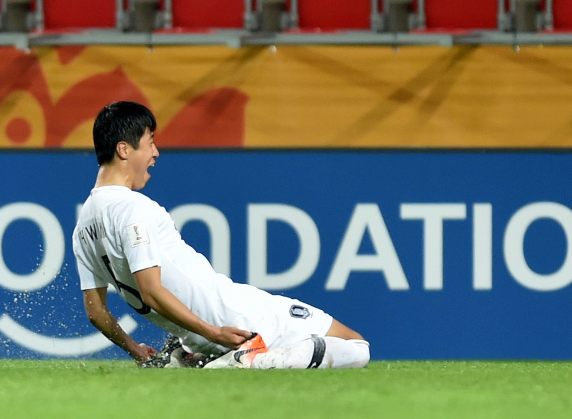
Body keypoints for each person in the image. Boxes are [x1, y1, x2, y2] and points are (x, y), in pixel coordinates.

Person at [72, 101, 370, 369]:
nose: (155, 152)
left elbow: (96, 312)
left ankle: (198, 357)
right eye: (150, 142)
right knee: (356, 346)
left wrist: (137, 350)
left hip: (196, 336)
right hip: (234, 317)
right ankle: (252, 358)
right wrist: (214, 331)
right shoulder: (131, 208)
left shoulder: (82, 227)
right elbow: (150, 289)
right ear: (124, 149)